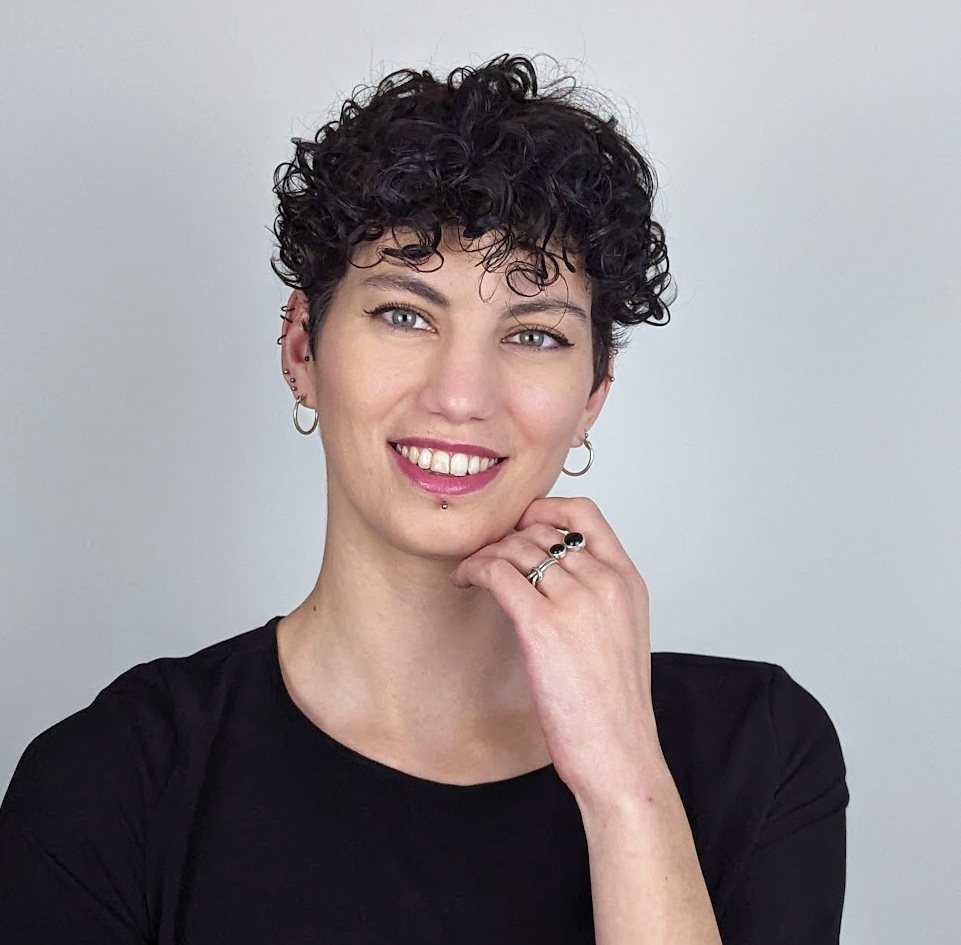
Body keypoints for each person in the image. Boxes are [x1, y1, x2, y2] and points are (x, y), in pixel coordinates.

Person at [0, 54, 848, 944]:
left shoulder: (756, 751)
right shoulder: (114, 780)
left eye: (533, 333)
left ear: (593, 396)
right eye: (404, 314)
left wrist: (622, 777)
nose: (461, 395)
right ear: (301, 349)